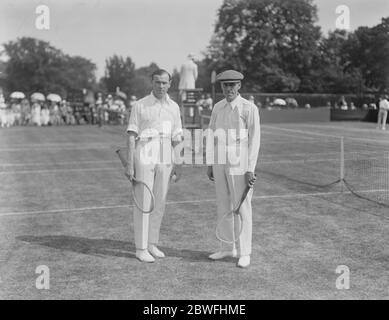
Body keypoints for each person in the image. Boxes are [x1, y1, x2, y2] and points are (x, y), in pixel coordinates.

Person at [125, 69, 183, 263]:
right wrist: (130, 164)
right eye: (157, 82)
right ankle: (141, 248)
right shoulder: (140, 105)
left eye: (164, 82)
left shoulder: (174, 107)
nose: (160, 86)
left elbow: (177, 136)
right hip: (144, 151)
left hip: (166, 152)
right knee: (144, 201)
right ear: (152, 82)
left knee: (160, 201)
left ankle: (152, 244)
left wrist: (179, 163)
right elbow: (132, 134)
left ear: (170, 83)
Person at [206, 70, 260, 268]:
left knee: (242, 205)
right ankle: (228, 248)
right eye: (225, 85)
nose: (228, 88)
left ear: (239, 86)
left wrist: (250, 168)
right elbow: (212, 134)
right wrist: (210, 163)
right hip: (220, 157)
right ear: (221, 87)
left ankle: (244, 252)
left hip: (240, 158)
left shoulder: (249, 108)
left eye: (232, 85)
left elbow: (255, 140)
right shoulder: (218, 107)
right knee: (223, 203)